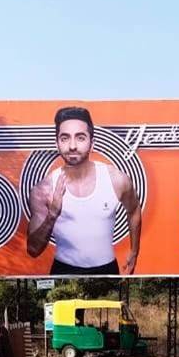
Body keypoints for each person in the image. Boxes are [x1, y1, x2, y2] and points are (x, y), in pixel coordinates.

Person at [26, 106, 143, 275]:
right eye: (65, 138)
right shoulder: (43, 190)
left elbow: (134, 211)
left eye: (80, 138)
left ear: (92, 143)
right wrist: (52, 214)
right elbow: (33, 250)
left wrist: (134, 251)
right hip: (62, 272)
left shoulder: (116, 180)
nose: (72, 146)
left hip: (107, 272)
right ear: (56, 143)